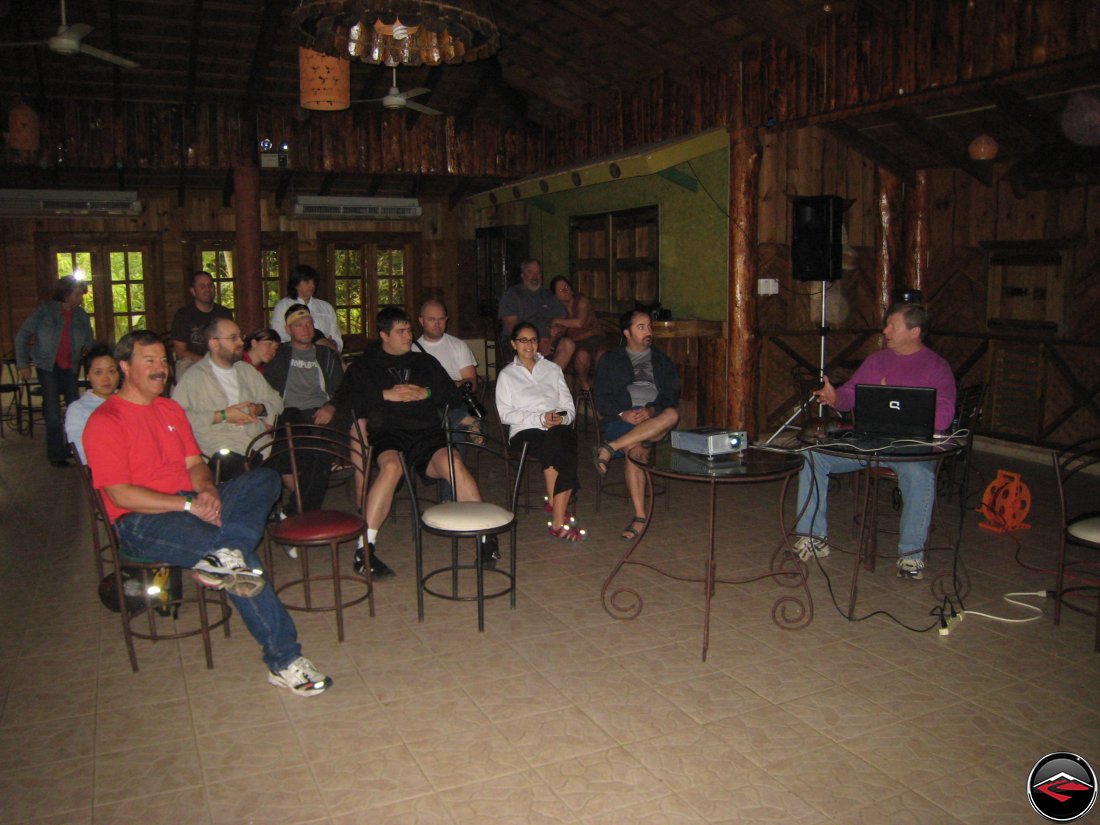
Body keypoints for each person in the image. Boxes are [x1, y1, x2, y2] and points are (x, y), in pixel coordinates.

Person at [83, 330, 332, 696]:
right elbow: (121, 494)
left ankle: (226, 550)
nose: (160, 369)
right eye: (148, 361)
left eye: (163, 361)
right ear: (125, 366)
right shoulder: (106, 421)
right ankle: (284, 661)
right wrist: (188, 505)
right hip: (140, 520)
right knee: (242, 563)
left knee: (263, 480)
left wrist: (208, 493)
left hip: (187, 499)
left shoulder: (169, 410)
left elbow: (195, 464)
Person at [793, 303, 956, 580]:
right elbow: (849, 396)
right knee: (812, 455)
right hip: (868, 442)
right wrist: (835, 398)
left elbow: (943, 418)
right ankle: (813, 538)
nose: (885, 330)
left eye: (893, 325)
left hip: (910, 448)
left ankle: (910, 556)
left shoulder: (937, 368)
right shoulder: (876, 361)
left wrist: (910, 409)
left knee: (920, 476)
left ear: (914, 331)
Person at [333, 305, 494, 579]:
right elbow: (346, 401)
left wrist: (425, 392)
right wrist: (385, 395)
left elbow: (451, 396)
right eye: (401, 331)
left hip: (426, 434)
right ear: (384, 335)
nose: (409, 336)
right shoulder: (366, 366)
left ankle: (486, 540)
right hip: (390, 434)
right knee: (392, 468)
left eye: (409, 330)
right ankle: (364, 551)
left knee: (453, 462)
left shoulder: (424, 362)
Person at [592, 310, 681, 540]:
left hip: (654, 420)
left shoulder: (662, 361)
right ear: (627, 332)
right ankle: (640, 517)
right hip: (622, 420)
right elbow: (601, 398)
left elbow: (671, 397)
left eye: (649, 326)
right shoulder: (611, 360)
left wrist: (651, 410)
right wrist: (623, 413)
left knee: (671, 414)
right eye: (641, 327)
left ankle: (609, 448)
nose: (648, 331)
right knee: (636, 452)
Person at [495, 322, 586, 541]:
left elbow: (569, 408)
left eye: (533, 340)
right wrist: (539, 418)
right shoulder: (507, 375)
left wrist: (559, 417)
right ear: (513, 344)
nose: (529, 345)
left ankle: (557, 517)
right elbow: (505, 414)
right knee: (563, 446)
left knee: (562, 436)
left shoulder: (552, 369)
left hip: (554, 429)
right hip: (524, 432)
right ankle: (557, 512)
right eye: (523, 340)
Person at [173, 318, 284, 482]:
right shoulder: (194, 376)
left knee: (308, 453)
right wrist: (222, 416)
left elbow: (276, 401)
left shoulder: (246, 371)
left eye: (240, 336)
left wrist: (260, 408)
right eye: (233, 338)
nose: (240, 342)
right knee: (254, 478)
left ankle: (295, 507)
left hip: (257, 441)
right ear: (214, 344)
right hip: (220, 448)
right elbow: (175, 419)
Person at [264, 304, 347, 514]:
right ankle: (303, 509)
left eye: (309, 323)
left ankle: (294, 510)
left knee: (322, 450)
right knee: (310, 450)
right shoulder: (279, 354)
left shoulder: (325, 355)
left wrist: (330, 406)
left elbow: (342, 390)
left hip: (319, 409)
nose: (306, 328)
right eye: (299, 325)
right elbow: (266, 387)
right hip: (288, 411)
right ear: (289, 329)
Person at [15, 275, 95, 467]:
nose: (80, 299)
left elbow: (90, 340)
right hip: (48, 367)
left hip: (70, 367)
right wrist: (23, 363)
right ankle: (56, 455)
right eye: (77, 294)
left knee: (74, 410)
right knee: (52, 412)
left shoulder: (80, 315)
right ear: (66, 294)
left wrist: (91, 355)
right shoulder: (44, 311)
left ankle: (75, 450)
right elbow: (22, 336)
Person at [497, 259, 574, 371]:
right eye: (530, 272)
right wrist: (535, 342)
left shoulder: (549, 295)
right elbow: (512, 328)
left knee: (568, 344)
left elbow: (563, 321)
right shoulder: (512, 295)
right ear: (523, 275)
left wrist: (552, 339)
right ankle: (539, 382)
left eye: (538, 273)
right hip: (523, 342)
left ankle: (547, 382)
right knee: (526, 346)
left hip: (549, 341)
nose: (535, 276)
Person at [548, 276, 610, 392]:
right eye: (561, 289)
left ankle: (600, 389)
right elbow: (558, 333)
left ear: (571, 289)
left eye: (566, 287)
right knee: (582, 356)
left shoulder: (581, 301)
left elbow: (580, 323)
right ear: (556, 295)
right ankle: (586, 387)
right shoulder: (559, 310)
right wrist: (553, 333)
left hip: (595, 338)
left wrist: (557, 321)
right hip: (578, 344)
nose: (565, 290)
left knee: (602, 354)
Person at [170, 271, 233, 381]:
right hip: (191, 362)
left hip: (221, 361)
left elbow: (231, 343)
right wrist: (208, 362)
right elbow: (180, 351)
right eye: (202, 286)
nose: (207, 289)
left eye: (210, 285)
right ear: (193, 291)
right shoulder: (183, 315)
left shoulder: (224, 314)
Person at [65, 344, 120, 464]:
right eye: (98, 372)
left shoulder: (129, 400)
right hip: (107, 470)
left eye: (111, 371)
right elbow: (82, 455)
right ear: (88, 376)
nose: (106, 379)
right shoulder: (78, 409)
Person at [271, 264, 342, 353]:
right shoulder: (283, 306)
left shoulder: (326, 307)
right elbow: (280, 336)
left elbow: (336, 336)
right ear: (296, 284)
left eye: (313, 282)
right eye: (307, 282)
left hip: (325, 354)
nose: (312, 285)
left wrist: (334, 344)